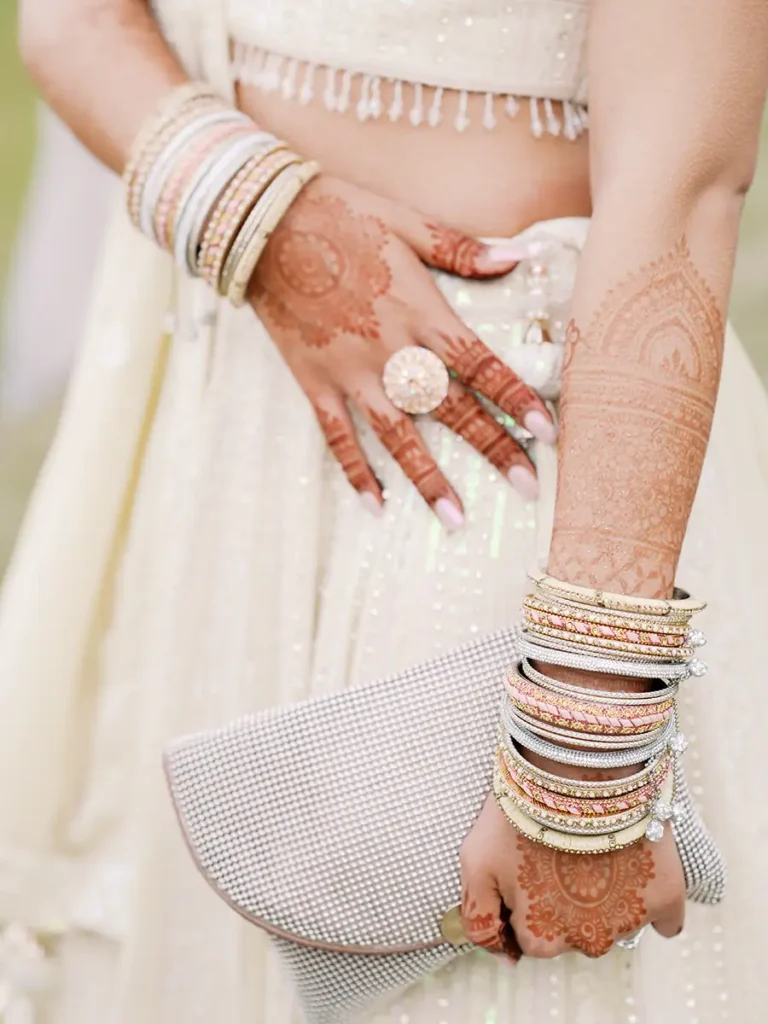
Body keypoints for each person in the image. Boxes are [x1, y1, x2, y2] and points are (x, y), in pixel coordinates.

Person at [1, 0, 766, 1021]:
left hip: (509, 479)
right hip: (214, 432)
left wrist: (585, 718)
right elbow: (71, 23)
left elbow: (679, 189)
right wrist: (272, 228)